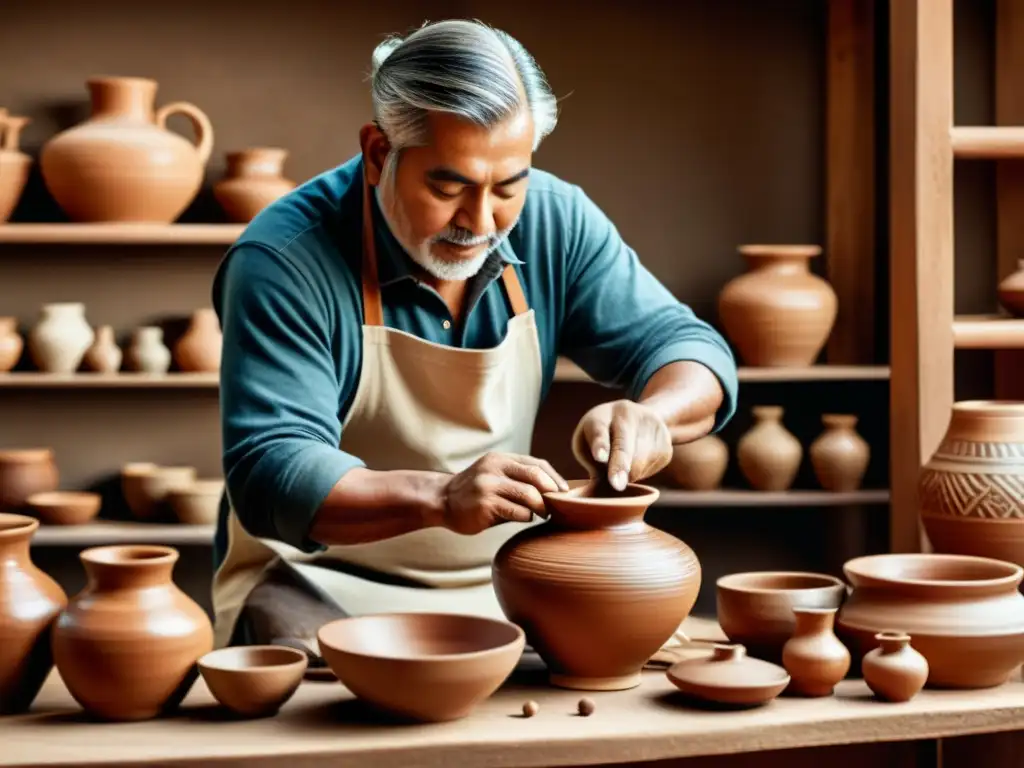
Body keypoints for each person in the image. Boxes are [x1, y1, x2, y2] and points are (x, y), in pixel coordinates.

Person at [210, 19, 738, 660]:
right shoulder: (285, 258)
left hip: (503, 582)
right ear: (380, 153)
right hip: (320, 579)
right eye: (448, 186)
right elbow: (272, 470)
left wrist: (655, 416)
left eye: (508, 186)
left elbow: (687, 346)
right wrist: (440, 495)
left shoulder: (555, 220)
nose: (481, 221)